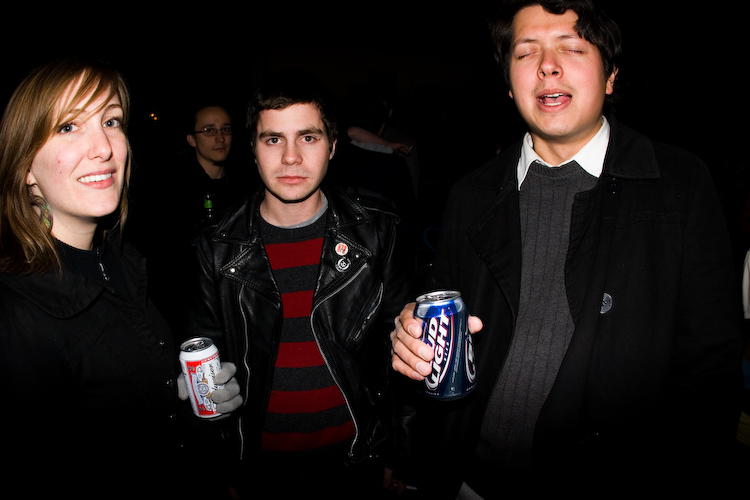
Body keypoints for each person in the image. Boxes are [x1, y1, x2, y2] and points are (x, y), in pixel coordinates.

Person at [390, 1, 744, 496]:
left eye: (572, 48)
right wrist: (409, 341)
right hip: (470, 481)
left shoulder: (680, 185)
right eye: (526, 52)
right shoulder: (470, 194)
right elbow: (437, 324)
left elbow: (711, 370)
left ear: (611, 76)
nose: (548, 66)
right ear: (509, 83)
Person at [0, 58, 238, 498]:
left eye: (111, 122)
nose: (104, 148)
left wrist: (184, 400)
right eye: (68, 127)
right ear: (25, 166)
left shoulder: (122, 259)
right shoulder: (18, 315)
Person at [186, 74, 411, 498]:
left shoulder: (377, 232)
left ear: (333, 146)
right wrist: (223, 467)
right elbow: (205, 366)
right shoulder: (215, 248)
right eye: (273, 140)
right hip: (260, 471)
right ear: (253, 150)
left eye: (308, 137)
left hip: (356, 462)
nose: (291, 157)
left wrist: (396, 453)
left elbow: (402, 351)